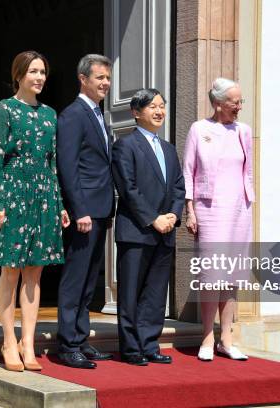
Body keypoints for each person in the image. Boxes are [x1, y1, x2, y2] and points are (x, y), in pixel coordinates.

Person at [0, 51, 70, 372]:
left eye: (43, 72)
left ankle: (28, 342)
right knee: (10, 270)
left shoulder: (51, 114)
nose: (39, 78)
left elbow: (53, 162)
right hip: (12, 194)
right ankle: (8, 341)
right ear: (19, 75)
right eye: (33, 72)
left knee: (35, 271)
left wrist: (60, 203)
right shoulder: (4, 109)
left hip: (44, 196)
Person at [111, 88, 185, 366]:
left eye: (162, 106)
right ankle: (131, 349)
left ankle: (149, 344)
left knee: (155, 293)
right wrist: (154, 218)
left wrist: (173, 216)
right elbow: (127, 188)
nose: (159, 111)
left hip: (166, 231)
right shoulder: (125, 145)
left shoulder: (168, 149)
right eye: (153, 106)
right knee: (130, 293)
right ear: (135, 112)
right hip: (137, 230)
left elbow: (178, 186)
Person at [183, 78, 254, 361]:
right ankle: (207, 337)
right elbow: (188, 170)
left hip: (239, 210)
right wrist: (190, 209)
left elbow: (247, 171)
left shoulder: (244, 131)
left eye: (241, 102)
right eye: (234, 102)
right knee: (212, 275)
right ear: (217, 103)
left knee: (232, 276)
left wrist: (249, 202)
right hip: (209, 209)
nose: (239, 107)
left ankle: (227, 338)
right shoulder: (199, 129)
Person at [56, 54, 115, 369]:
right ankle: (67, 345)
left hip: (101, 208)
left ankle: (80, 338)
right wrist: (78, 210)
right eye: (100, 77)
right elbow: (68, 167)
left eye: (108, 78)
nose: (106, 83)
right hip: (85, 212)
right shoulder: (73, 115)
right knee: (75, 278)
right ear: (83, 79)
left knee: (90, 279)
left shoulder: (98, 114)